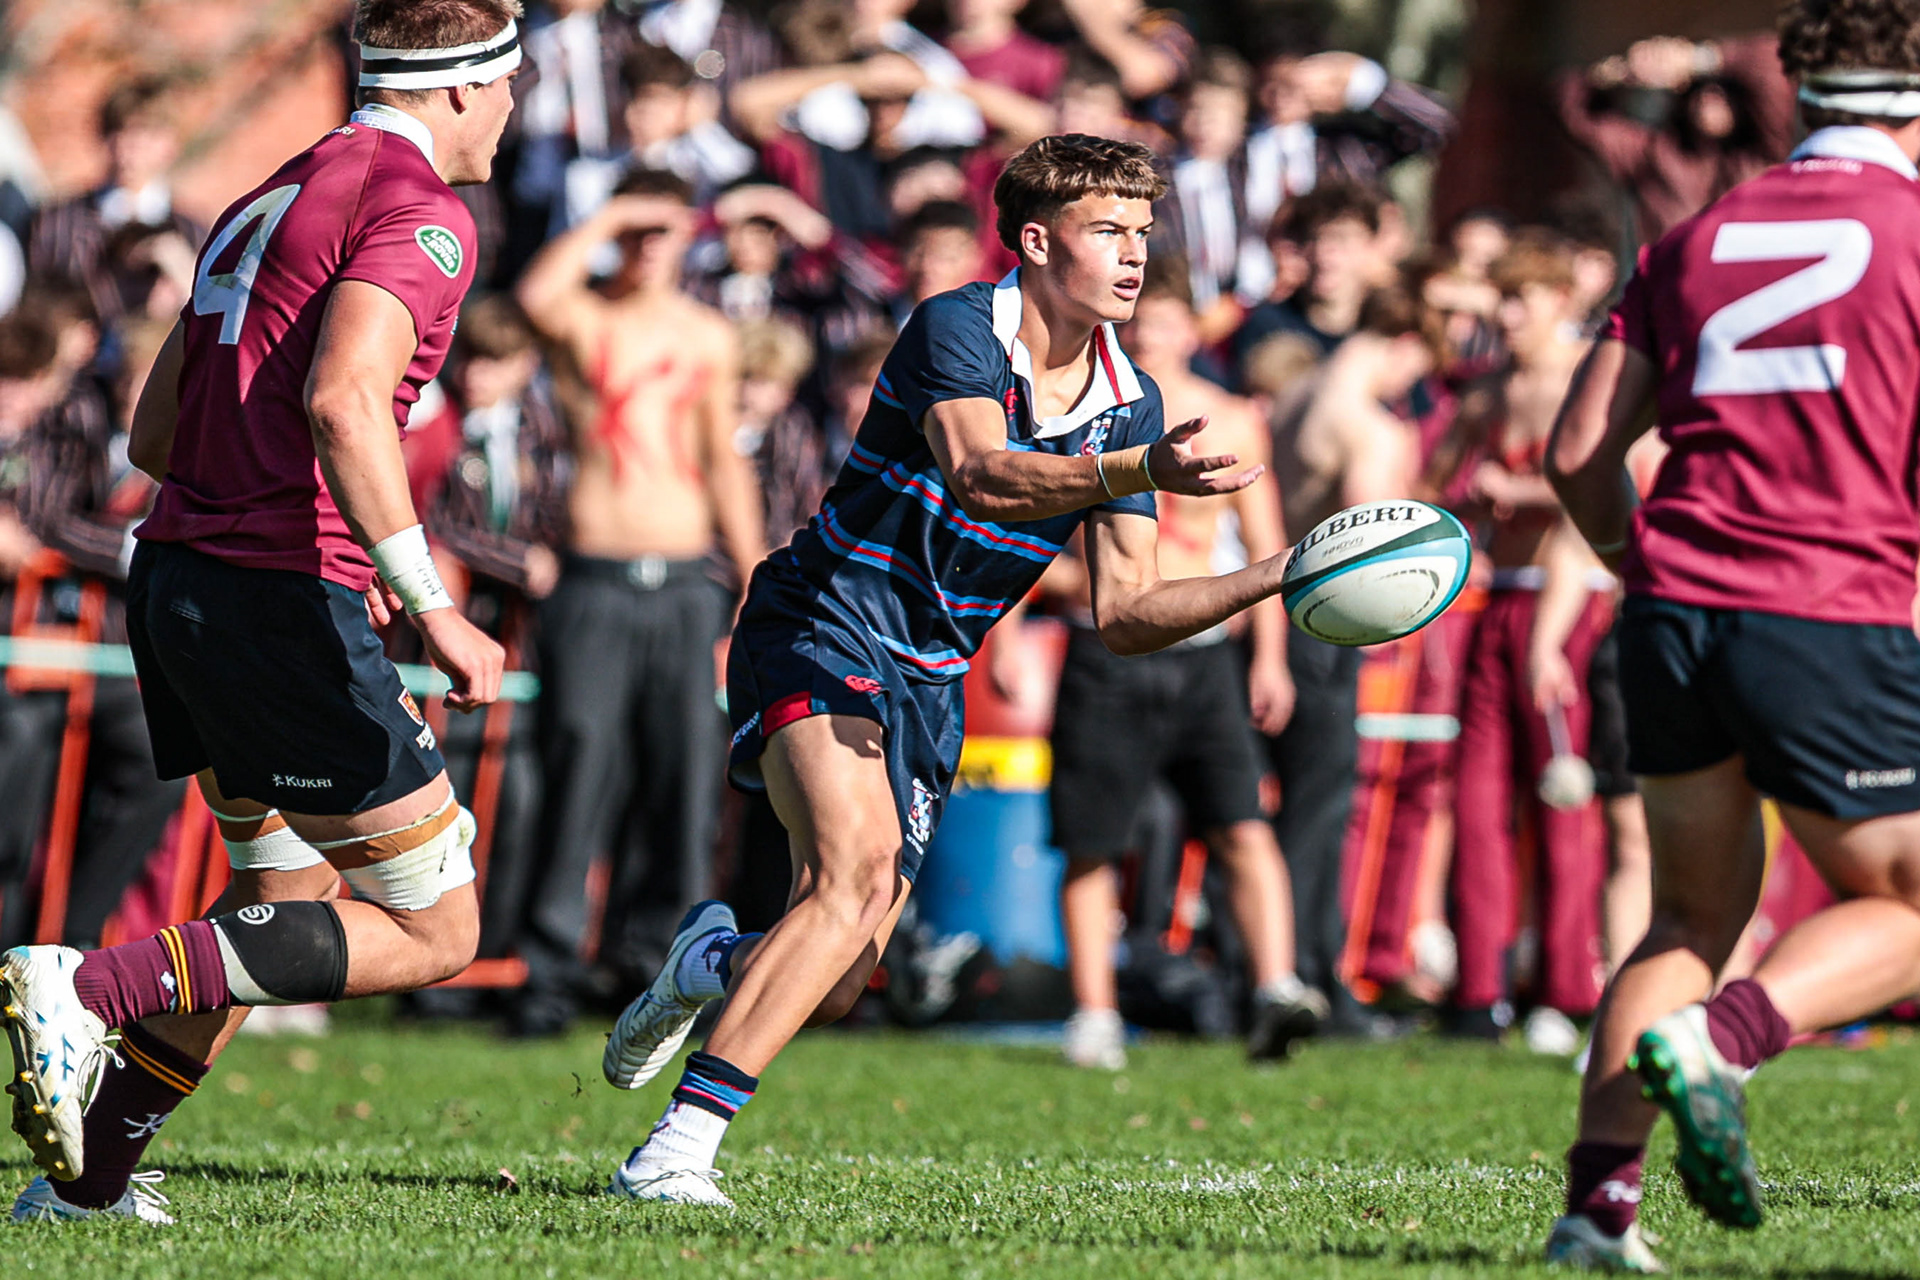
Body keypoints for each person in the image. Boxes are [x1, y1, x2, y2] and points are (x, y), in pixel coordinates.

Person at [598, 133, 1303, 1208]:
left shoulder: (1132, 403)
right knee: (853, 875)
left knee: (838, 978)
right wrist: (1139, 469)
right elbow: (981, 473)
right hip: (824, 618)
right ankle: (673, 1151)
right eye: (1108, 230)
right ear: (1037, 241)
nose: (1134, 254)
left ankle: (711, 961)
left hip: (932, 675)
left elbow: (1126, 611)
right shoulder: (961, 325)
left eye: (1142, 232)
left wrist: (1281, 574)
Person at [0, 0, 518, 1223]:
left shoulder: (270, 191)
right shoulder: (421, 211)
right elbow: (345, 400)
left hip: (182, 577)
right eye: (509, 84)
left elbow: (156, 432)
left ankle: (89, 1183)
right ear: (460, 87)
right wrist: (430, 597)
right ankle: (86, 988)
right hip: (281, 596)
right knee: (436, 927)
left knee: (274, 899)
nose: (512, 110)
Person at [1542, 1, 1920, 1268]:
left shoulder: (1696, 234)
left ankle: (1596, 1214)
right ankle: (1723, 1040)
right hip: (1825, 604)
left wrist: (1639, 570)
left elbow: (1577, 453)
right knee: (1908, 902)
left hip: (1671, 608)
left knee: (1686, 918)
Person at [1039, 254, 1312, 1070]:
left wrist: (1271, 659)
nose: (1153, 337)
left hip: (1204, 654)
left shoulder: (1231, 417)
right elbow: (1030, 537)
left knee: (1242, 823)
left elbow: (1266, 549)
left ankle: (1277, 989)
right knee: (1092, 840)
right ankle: (1094, 1013)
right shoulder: (1086, 410)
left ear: (1194, 330)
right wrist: (1044, 610)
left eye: (1167, 323)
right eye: (1141, 323)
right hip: (1107, 650)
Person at [512, 167, 766, 1036]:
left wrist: (753, 573)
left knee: (684, 778)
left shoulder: (707, 334)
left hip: (686, 581)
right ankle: (547, 975)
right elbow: (535, 296)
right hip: (596, 575)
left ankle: (662, 972)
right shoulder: (587, 316)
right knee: (578, 768)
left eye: (666, 230)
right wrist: (613, 215)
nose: (651, 246)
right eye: (639, 232)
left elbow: (724, 457)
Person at [1447, 237, 1609, 1051]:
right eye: (1501, 299)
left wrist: (1515, 487)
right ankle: (1480, 991)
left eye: (1523, 298)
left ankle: (1565, 990)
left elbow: (1612, 483)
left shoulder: (1590, 377)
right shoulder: (1490, 390)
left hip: (1568, 604)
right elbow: (1434, 481)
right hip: (1498, 599)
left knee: (1563, 800)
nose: (1508, 315)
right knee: (1477, 804)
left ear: (1561, 298)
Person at [1264, 282, 1434, 1033]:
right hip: (1326, 627)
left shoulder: (1295, 397)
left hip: (1278, 612)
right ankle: (1313, 982)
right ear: (1405, 345)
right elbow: (1371, 552)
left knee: (1289, 810)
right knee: (1321, 811)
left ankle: (1284, 971)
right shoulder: (1368, 425)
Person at [28, 79, 205, 328]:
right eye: (118, 131)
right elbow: (37, 311)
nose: (128, 146)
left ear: (171, 144)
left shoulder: (194, 234)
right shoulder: (56, 224)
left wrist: (181, 285)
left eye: (144, 133)